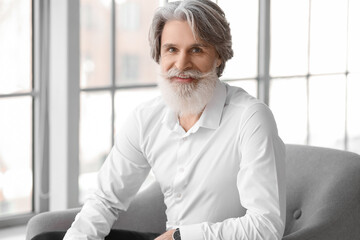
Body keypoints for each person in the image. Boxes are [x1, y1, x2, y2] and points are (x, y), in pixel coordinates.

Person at [33, 0, 286, 239]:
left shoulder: (251, 118)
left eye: (196, 49)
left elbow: (266, 226)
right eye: (172, 50)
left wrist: (180, 237)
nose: (181, 63)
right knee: (46, 238)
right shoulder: (146, 118)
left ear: (218, 56)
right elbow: (105, 200)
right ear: (160, 54)